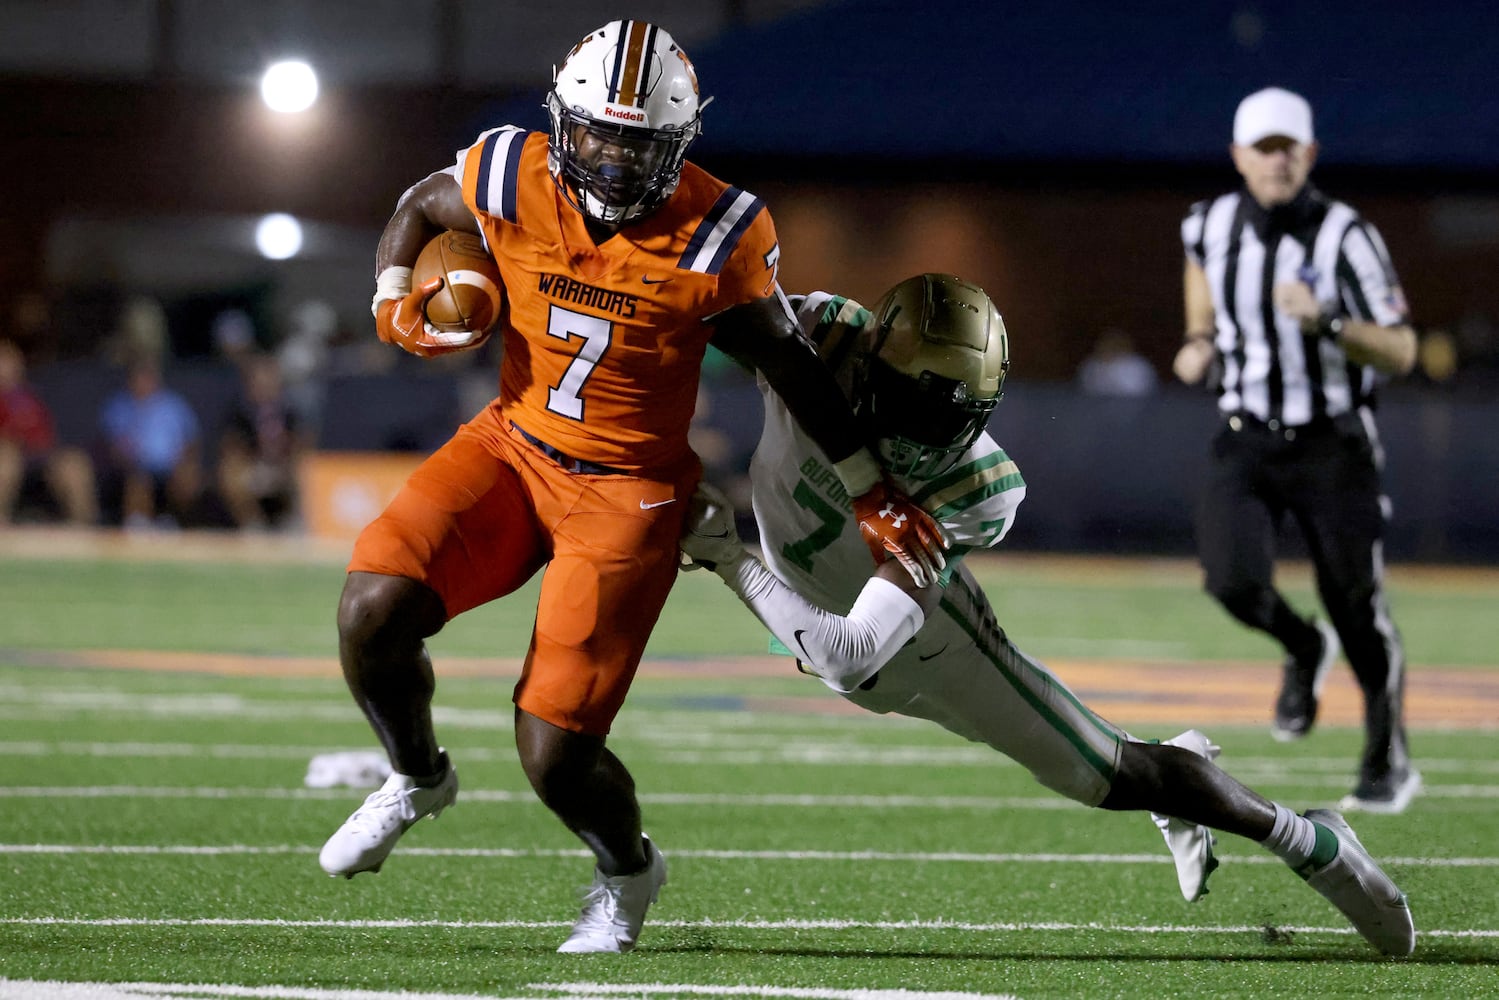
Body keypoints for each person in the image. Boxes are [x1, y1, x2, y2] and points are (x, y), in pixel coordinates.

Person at [316, 20, 945, 955]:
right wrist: (390, 297)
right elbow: (419, 204)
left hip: (630, 490)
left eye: (638, 140)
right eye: (599, 132)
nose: (612, 155)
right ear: (564, 121)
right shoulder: (510, 172)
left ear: (677, 143)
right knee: (371, 604)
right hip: (512, 446)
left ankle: (627, 872)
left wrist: (871, 488)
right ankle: (417, 777)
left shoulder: (716, 232)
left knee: (555, 751)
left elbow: (793, 363)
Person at [678, 272, 1415, 957]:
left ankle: (1309, 841)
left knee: (1109, 776)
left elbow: (853, 652)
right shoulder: (823, 335)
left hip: (928, 647)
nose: (925, 435)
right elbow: (698, 323)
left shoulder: (980, 485)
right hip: (815, 615)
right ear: (870, 361)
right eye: (913, 405)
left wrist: (724, 556)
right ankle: (1184, 775)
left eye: (951, 416)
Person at [1171, 87, 1420, 814]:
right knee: (1229, 580)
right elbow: (1198, 276)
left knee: (1354, 602)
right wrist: (1198, 338)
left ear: (1307, 154)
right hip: (1246, 432)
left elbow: (1402, 348)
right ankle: (1301, 647)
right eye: (1262, 147)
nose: (1275, 161)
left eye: (1288, 148)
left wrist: (1330, 321)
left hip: (1332, 442)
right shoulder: (1208, 222)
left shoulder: (1346, 235)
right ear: (1238, 156)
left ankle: (1384, 753)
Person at [0, 338, 97, 525]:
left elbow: (45, 436)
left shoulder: (30, 396)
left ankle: (84, 528)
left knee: (74, 462)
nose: (8, 368)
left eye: (12, 362)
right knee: (5, 458)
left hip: (37, 455)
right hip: (8, 454)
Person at [96, 356, 201, 529]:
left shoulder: (174, 405)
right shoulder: (118, 407)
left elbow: (191, 441)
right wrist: (132, 461)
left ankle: (176, 523)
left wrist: (185, 463)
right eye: (139, 377)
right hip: (134, 467)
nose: (143, 382)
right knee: (139, 478)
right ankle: (138, 524)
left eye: (148, 377)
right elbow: (113, 446)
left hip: (171, 467)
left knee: (187, 479)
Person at [217, 353, 306, 531]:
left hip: (283, 466)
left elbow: (302, 441)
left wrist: (289, 461)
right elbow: (231, 447)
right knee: (230, 473)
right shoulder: (240, 412)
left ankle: (296, 522)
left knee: (306, 467)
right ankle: (253, 525)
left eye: (269, 378)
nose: (265, 385)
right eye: (260, 379)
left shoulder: (289, 410)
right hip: (253, 466)